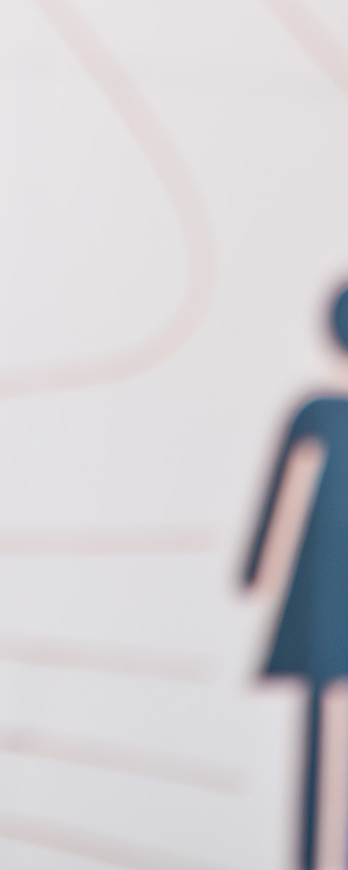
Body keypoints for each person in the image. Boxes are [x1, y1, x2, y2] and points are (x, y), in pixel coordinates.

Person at [244, 284, 348, 869]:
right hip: (320, 596)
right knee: (316, 736)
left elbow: (276, 503)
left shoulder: (319, 411)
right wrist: (256, 567)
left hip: (320, 592)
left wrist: (256, 567)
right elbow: (280, 498)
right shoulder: (317, 411)